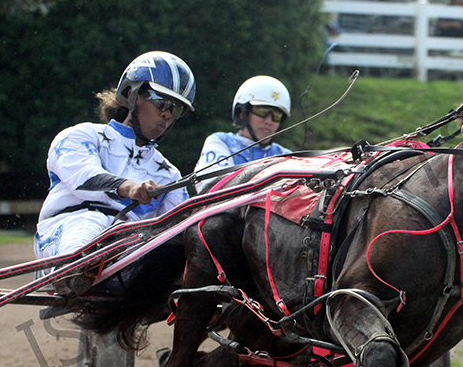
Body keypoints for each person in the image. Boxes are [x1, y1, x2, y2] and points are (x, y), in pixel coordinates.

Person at [34, 51, 195, 268]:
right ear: (131, 94)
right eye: (161, 102)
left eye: (176, 109)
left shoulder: (170, 174)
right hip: (66, 233)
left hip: (129, 249)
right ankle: (75, 271)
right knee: (93, 221)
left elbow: (175, 230)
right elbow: (85, 179)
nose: (167, 114)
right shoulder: (82, 136)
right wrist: (129, 187)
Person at [193, 75, 291, 193]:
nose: (268, 121)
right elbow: (213, 188)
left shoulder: (287, 155)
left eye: (276, 116)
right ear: (242, 113)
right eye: (262, 112)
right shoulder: (220, 142)